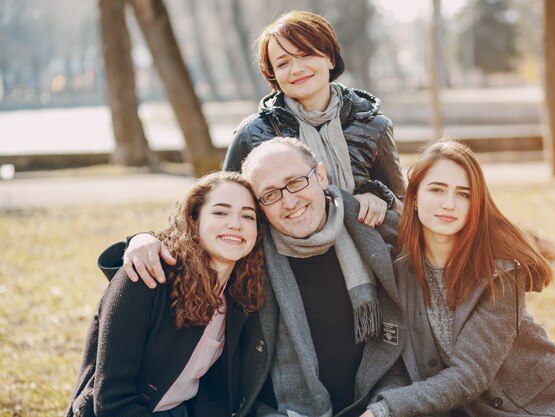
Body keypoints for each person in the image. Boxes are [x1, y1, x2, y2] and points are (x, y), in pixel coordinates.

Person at [100, 137, 409, 417]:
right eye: (270, 194)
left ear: (322, 176)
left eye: (296, 182)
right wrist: (140, 239)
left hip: (379, 404)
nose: (289, 202)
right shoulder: (251, 259)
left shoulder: (374, 230)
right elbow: (194, 238)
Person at [363, 139, 555, 417]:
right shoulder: (397, 272)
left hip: (540, 408)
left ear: (476, 204)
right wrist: (381, 406)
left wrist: (388, 409)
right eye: (437, 190)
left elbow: (470, 374)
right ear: (414, 196)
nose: (448, 204)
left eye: (463, 194)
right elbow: (396, 365)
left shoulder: (500, 271)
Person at [67, 172, 265, 417]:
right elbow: (111, 401)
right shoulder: (146, 277)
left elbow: (211, 390)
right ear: (194, 219)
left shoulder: (239, 295)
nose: (236, 223)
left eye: (248, 216)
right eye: (220, 212)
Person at [224, 10, 405, 227]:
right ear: (273, 75)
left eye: (306, 55)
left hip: (366, 250)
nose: (296, 69)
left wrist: (378, 195)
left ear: (330, 58)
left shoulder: (374, 126)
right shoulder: (253, 133)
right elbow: (226, 204)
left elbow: (401, 202)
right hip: (285, 256)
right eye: (283, 63)